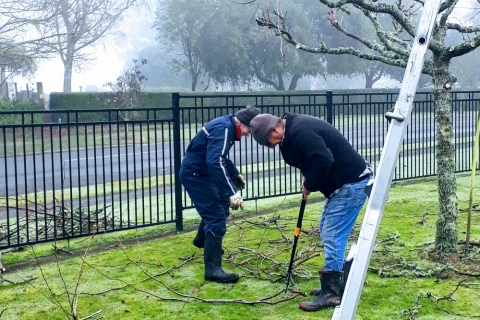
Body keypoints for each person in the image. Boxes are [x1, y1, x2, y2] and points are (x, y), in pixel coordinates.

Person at [250, 112, 373, 311]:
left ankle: (332, 294)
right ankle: (336, 283)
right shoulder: (289, 136)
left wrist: (311, 184)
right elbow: (305, 160)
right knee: (326, 229)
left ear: (274, 129)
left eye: (268, 142)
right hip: (342, 185)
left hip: (352, 183)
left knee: (333, 235)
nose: (270, 146)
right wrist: (305, 181)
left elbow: (324, 159)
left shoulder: (300, 130)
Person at [179, 105, 261, 283]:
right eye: (249, 130)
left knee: (221, 206)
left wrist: (234, 173)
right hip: (195, 174)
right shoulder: (225, 129)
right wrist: (233, 193)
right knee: (215, 215)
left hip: (201, 172)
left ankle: (203, 240)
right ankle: (213, 270)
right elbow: (215, 161)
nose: (249, 134)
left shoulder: (226, 126)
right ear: (241, 123)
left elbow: (220, 158)